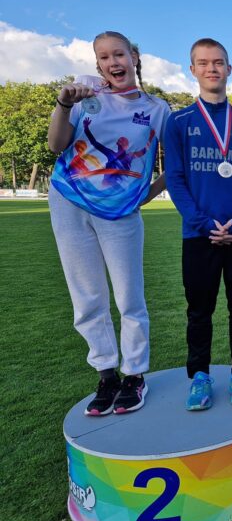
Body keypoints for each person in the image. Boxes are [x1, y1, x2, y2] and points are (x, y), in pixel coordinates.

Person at [47, 31, 170, 416]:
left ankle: (134, 375)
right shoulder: (83, 93)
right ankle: (106, 375)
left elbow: (178, 165)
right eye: (104, 57)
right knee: (87, 297)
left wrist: (146, 194)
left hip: (120, 213)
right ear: (97, 62)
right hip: (68, 201)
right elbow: (56, 145)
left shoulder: (156, 108)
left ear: (134, 57)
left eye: (119, 54)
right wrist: (63, 106)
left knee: (129, 298)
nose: (112, 62)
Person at [165, 38, 232, 410]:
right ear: (192, 69)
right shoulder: (179, 123)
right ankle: (200, 376)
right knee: (199, 310)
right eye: (204, 63)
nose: (212, 68)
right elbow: (175, 178)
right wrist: (203, 222)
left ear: (229, 68)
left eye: (218, 62)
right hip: (199, 234)